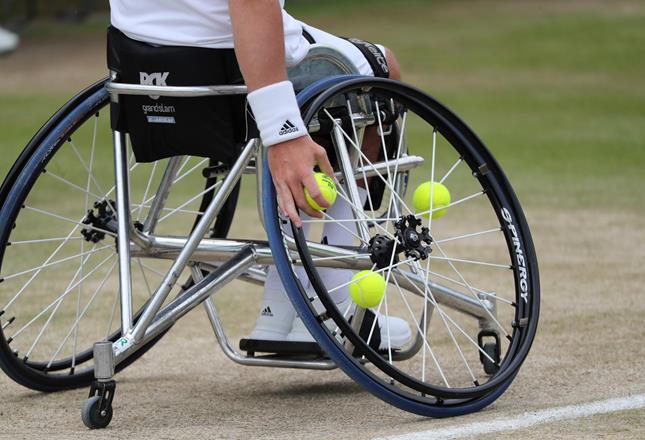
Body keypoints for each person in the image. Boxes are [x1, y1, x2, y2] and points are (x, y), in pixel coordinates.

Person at [108, 0, 411, 350]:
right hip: (231, 67)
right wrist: (283, 130)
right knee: (383, 66)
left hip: (142, 65)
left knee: (314, 95)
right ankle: (335, 291)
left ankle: (277, 308)